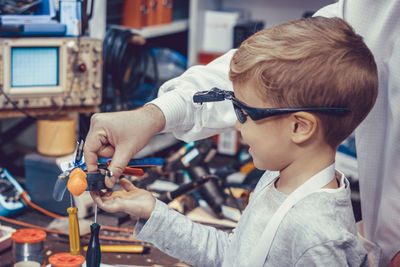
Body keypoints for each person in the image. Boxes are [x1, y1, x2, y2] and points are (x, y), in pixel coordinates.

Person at [84, 1, 400, 265]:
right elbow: (234, 257)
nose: (236, 125)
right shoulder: (276, 178)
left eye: (244, 113)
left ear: (299, 127)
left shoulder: (318, 238)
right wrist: (151, 210)